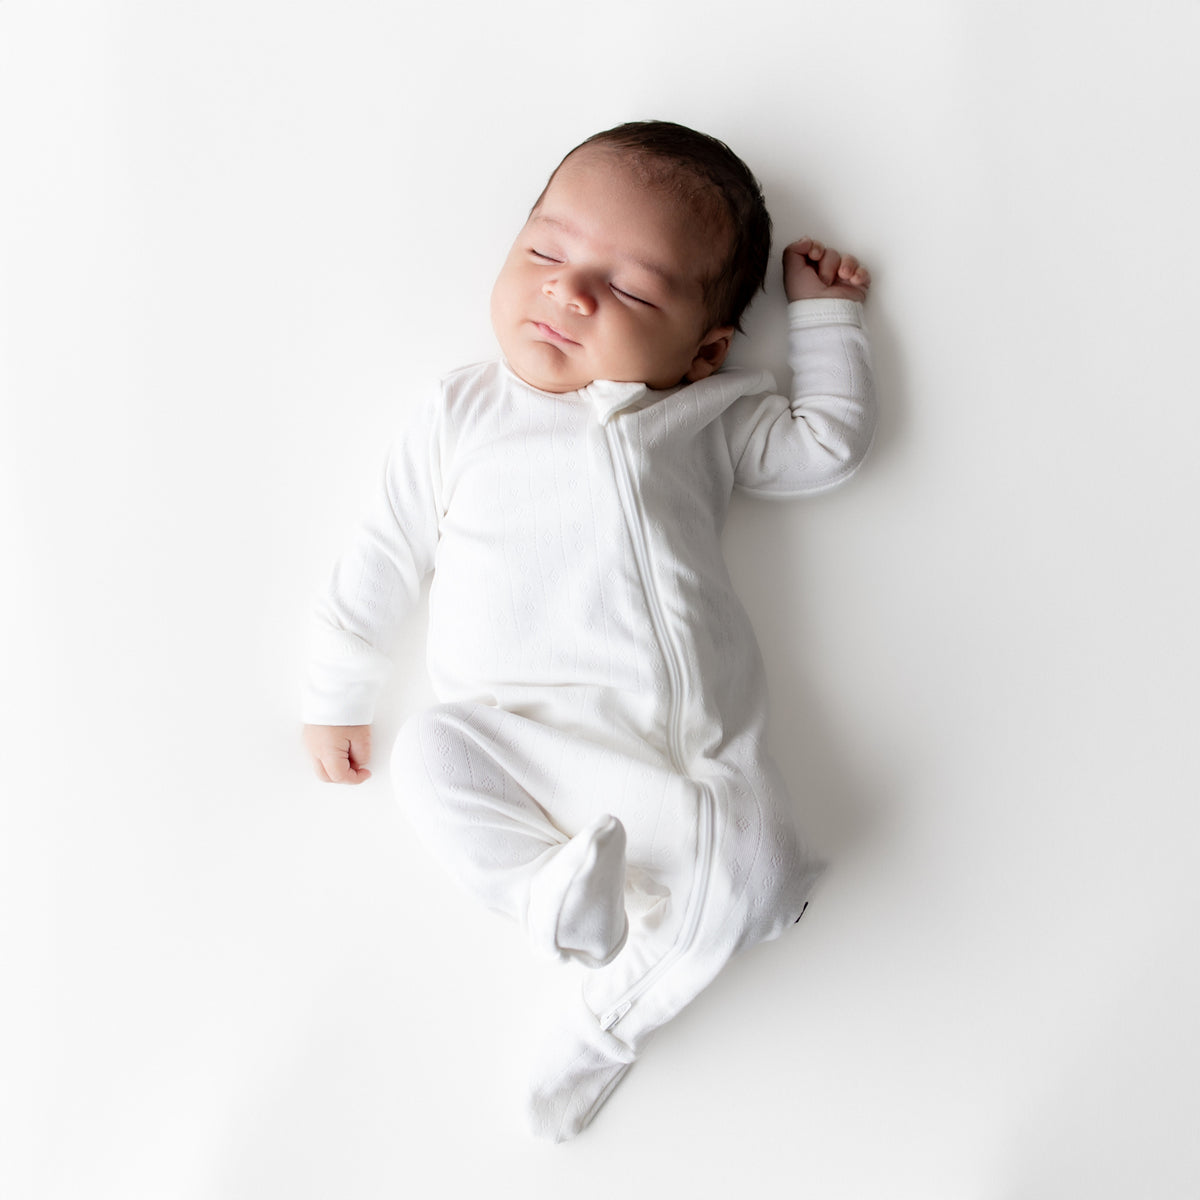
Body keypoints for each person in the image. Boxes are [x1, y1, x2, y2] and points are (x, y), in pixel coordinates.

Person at [301, 120, 875, 1141]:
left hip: (682, 757)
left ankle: (603, 1025)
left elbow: (822, 446)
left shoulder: (702, 418)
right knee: (428, 756)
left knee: (753, 867)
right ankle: (546, 896)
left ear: (703, 351)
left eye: (634, 290)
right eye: (546, 254)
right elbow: (383, 555)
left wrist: (826, 321)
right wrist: (339, 691)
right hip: (519, 740)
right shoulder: (462, 412)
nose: (571, 294)